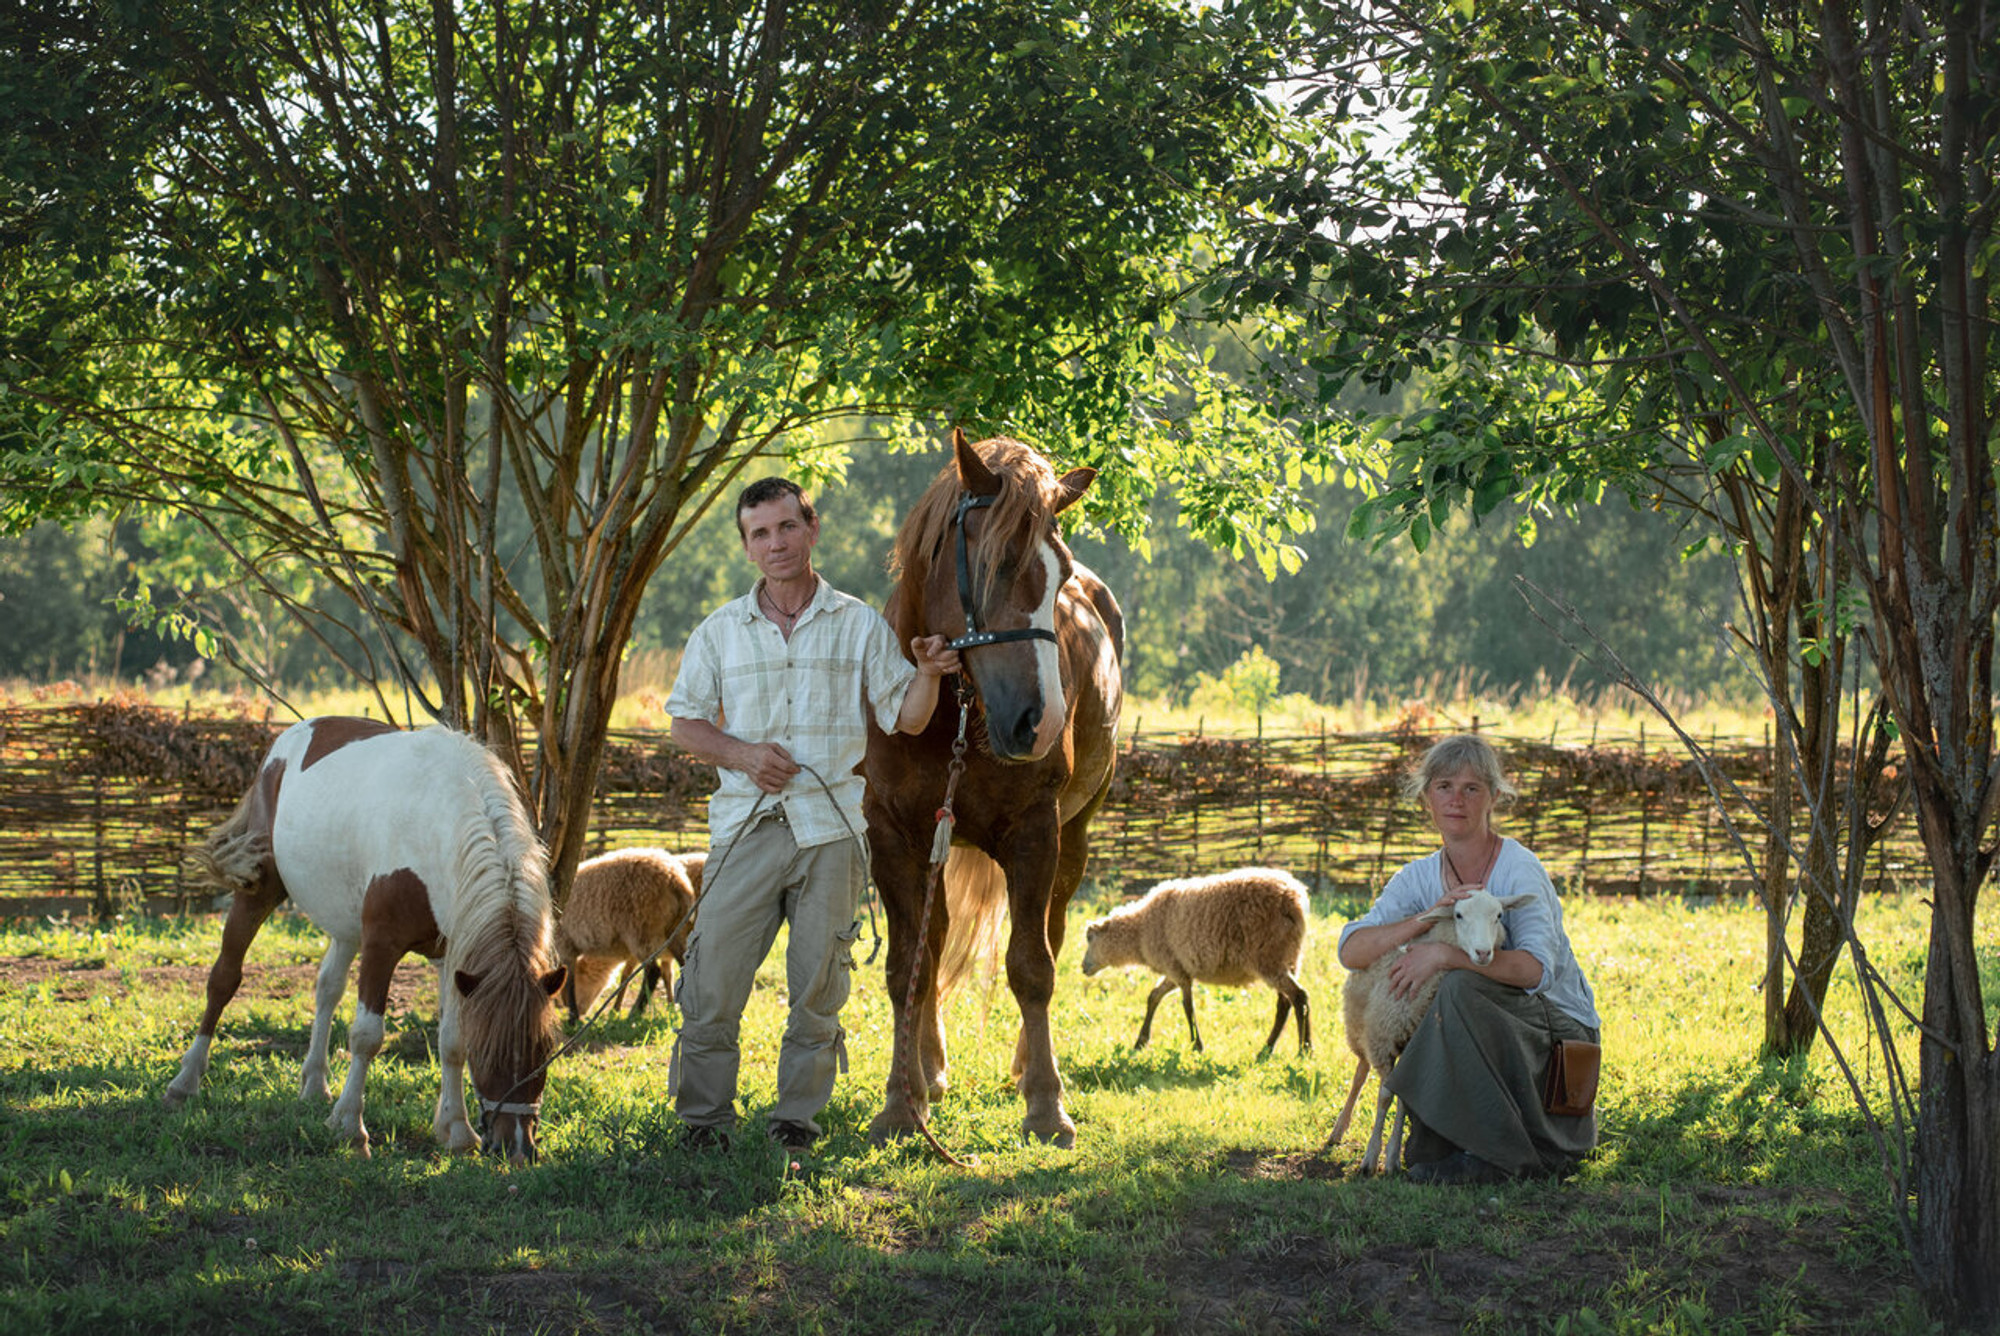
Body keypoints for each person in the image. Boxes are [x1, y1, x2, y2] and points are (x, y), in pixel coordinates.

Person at [665, 476, 960, 1152]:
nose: (776, 543)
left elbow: (907, 720)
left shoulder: (859, 624)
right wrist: (742, 754)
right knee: (710, 983)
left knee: (819, 986)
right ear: (747, 547)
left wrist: (930, 676)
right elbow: (685, 724)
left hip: (832, 835)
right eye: (760, 533)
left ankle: (795, 1118)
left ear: (812, 528)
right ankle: (703, 1123)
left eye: (786, 527)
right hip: (745, 830)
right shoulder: (719, 632)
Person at [1337, 733, 1601, 1184]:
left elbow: (1535, 970)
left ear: (1494, 797)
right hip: (1484, 1022)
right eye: (1444, 787)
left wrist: (1444, 954)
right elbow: (1352, 949)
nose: (1456, 800)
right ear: (1427, 798)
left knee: (1459, 985)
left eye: (1471, 788)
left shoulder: (1518, 869)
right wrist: (1426, 919)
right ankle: (1447, 1142)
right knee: (1442, 990)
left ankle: (1500, 1153)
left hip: (1554, 1034)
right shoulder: (1418, 877)